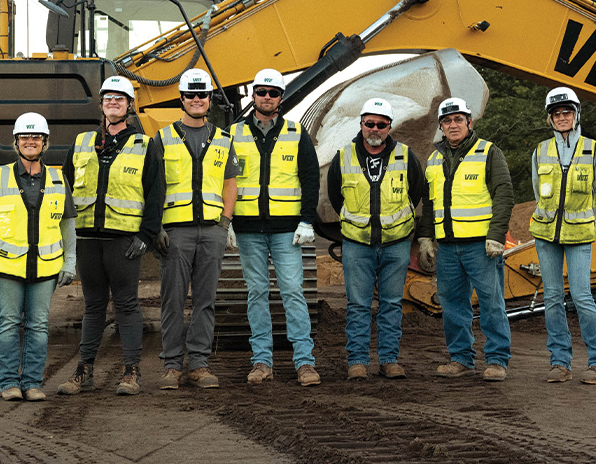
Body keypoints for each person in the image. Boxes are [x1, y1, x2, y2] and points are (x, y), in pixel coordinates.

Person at [57, 75, 154, 397]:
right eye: (108, 98)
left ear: (129, 106)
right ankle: (84, 371)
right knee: (94, 306)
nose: (113, 103)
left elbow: (155, 193)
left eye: (120, 99)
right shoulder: (82, 142)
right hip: (87, 239)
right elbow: (65, 190)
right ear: (101, 105)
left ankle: (131, 371)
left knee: (126, 305)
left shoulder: (144, 145)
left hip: (123, 240)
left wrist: (147, 234)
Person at [0, 112, 76, 401]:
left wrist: (70, 260)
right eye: (25, 137)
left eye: (36, 137)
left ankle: (32, 383)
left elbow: (67, 224)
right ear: (16, 142)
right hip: (7, 265)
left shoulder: (58, 178)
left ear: (45, 143)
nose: (30, 141)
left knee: (39, 325)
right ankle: (9, 383)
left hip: (45, 267)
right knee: (8, 323)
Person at [150, 68, 240, 389]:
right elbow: (152, 187)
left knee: (206, 300)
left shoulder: (223, 139)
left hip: (212, 232)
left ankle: (199, 364)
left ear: (210, 98)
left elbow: (231, 184)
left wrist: (226, 223)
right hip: (175, 233)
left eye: (202, 94)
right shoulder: (162, 139)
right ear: (182, 99)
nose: (197, 99)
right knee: (172, 300)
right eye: (191, 94)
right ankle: (173, 365)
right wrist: (155, 227)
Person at [231, 69, 320, 387]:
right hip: (248, 229)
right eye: (261, 91)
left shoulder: (297, 133)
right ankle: (261, 361)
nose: (266, 97)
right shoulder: (234, 134)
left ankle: (304, 362)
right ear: (253, 96)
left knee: (293, 293)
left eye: (273, 92)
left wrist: (307, 219)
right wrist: (227, 220)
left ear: (281, 98)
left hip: (286, 231)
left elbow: (311, 177)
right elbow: (228, 180)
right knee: (256, 293)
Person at [327, 97, 426, 380]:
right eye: (369, 123)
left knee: (391, 304)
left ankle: (389, 360)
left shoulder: (406, 157)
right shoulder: (344, 157)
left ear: (389, 128)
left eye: (381, 125)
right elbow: (337, 196)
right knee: (358, 305)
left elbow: (415, 192)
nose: (375, 129)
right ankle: (357, 361)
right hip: (358, 245)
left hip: (396, 245)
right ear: (361, 124)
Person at [417, 97, 514, 382]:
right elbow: (429, 202)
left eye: (459, 119)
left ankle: (497, 360)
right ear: (441, 127)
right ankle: (461, 358)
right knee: (452, 303)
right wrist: (425, 238)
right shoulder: (434, 159)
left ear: (469, 122)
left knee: (491, 302)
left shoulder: (488, 152)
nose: (453, 125)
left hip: (480, 246)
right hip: (447, 247)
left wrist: (496, 236)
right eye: (447, 121)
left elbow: (504, 194)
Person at [530, 87, 596, 385]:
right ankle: (560, 363)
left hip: (579, 235)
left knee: (581, 296)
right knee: (552, 298)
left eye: (567, 112)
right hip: (546, 234)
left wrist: (584, 219)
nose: (562, 117)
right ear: (550, 119)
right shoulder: (540, 151)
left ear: (577, 115)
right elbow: (538, 192)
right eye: (557, 113)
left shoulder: (592, 149)